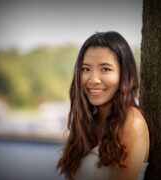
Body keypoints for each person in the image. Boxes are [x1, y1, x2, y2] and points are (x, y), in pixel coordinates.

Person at [57, 31, 151, 180]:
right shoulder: (88, 123)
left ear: (124, 74)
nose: (93, 79)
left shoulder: (132, 122)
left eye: (105, 69)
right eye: (85, 69)